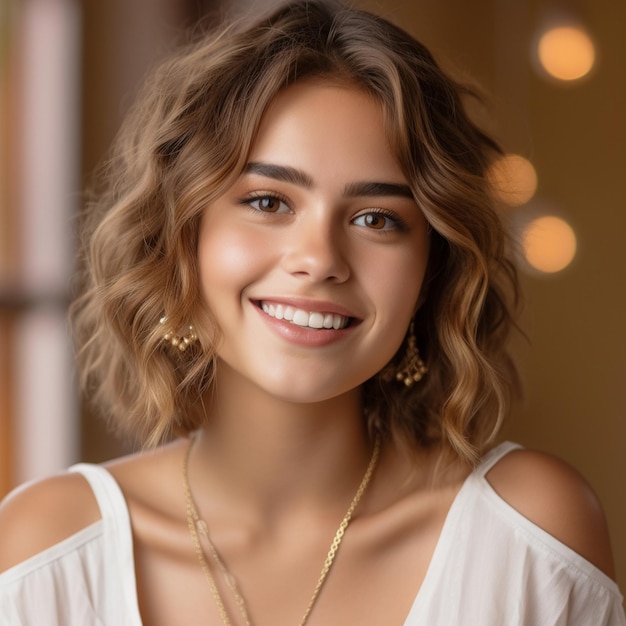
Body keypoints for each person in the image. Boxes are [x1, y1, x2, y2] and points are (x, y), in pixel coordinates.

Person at [0, 1, 624, 624]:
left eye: (376, 219)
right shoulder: (46, 551)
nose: (319, 259)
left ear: (432, 271)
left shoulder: (528, 538)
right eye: (269, 201)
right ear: (180, 237)